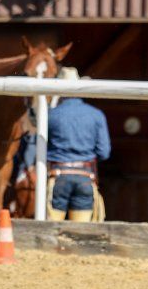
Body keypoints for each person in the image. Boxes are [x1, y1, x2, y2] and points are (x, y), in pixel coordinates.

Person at [47, 67, 111, 221]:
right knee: (81, 232)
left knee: (51, 229)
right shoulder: (96, 115)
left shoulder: (51, 115)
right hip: (85, 178)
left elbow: (39, 147)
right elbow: (104, 152)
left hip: (58, 176)